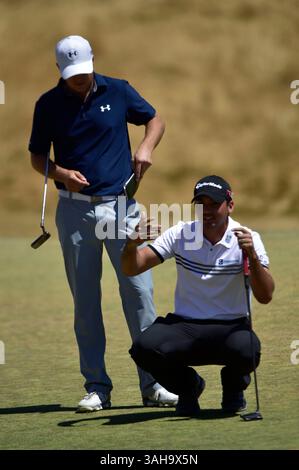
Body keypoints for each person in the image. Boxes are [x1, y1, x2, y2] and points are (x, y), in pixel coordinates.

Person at [29, 35, 178, 411]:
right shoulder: (48, 105)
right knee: (86, 303)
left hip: (120, 208)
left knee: (140, 295)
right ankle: (97, 386)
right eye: (71, 74)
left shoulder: (118, 89)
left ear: (93, 60)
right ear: (59, 70)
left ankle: (153, 384)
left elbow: (155, 119)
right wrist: (60, 171)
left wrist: (145, 147)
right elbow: (37, 158)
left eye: (83, 72)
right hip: (75, 210)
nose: (79, 80)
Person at [121, 175, 275, 416]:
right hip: (185, 325)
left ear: (230, 205)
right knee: (144, 348)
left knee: (249, 350)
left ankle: (233, 388)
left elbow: (265, 295)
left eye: (214, 204)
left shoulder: (247, 238)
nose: (207, 211)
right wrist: (131, 245)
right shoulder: (182, 234)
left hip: (231, 327)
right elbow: (132, 268)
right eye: (201, 204)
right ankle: (189, 386)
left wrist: (252, 257)